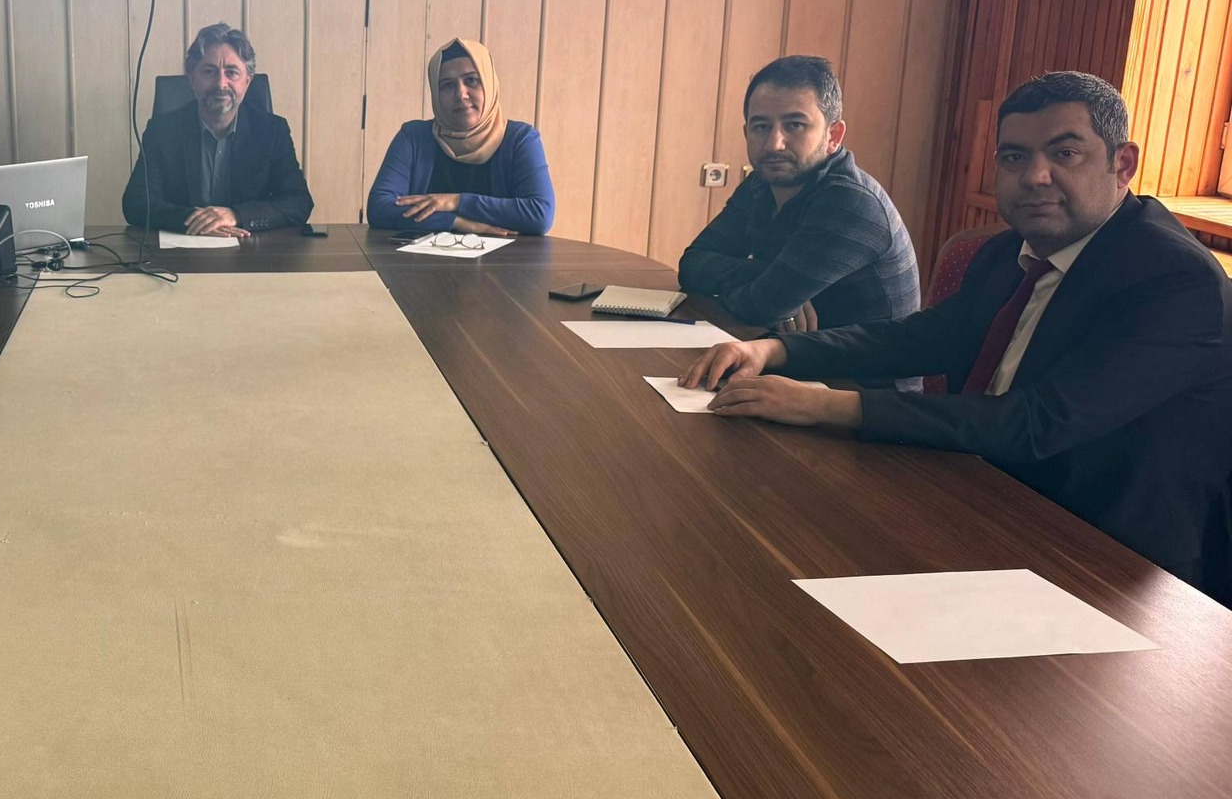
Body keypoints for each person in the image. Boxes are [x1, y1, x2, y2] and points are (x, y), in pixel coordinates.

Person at [679, 72, 1232, 604]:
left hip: (1104, 557)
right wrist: (774, 350)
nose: (1036, 176)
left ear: (1122, 164)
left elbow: (1037, 423)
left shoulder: (1176, 281)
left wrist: (826, 405)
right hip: (977, 489)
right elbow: (922, 338)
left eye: (1065, 153)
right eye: (1014, 157)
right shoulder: (1009, 251)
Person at [679, 55, 919, 333]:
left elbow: (759, 308)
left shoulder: (850, 201)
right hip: (791, 349)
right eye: (761, 127)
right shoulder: (760, 183)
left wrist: (769, 292)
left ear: (833, 136)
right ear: (746, 133)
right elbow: (692, 264)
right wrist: (763, 273)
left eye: (795, 125)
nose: (774, 144)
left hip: (856, 362)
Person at [123, 23, 313, 236]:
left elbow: (299, 202)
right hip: (182, 249)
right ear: (192, 78)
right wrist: (198, 222)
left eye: (231, 72)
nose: (221, 83)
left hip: (250, 250)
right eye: (209, 72)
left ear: (247, 82)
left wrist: (237, 215)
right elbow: (136, 203)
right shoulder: (162, 131)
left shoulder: (272, 131)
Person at [366, 38, 553, 235]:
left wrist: (455, 201)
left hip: (507, 255)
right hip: (422, 256)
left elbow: (539, 214)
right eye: (447, 85)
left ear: (489, 83)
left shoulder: (520, 139)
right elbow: (379, 208)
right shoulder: (413, 137)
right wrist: (454, 221)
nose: (461, 94)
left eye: (471, 80)